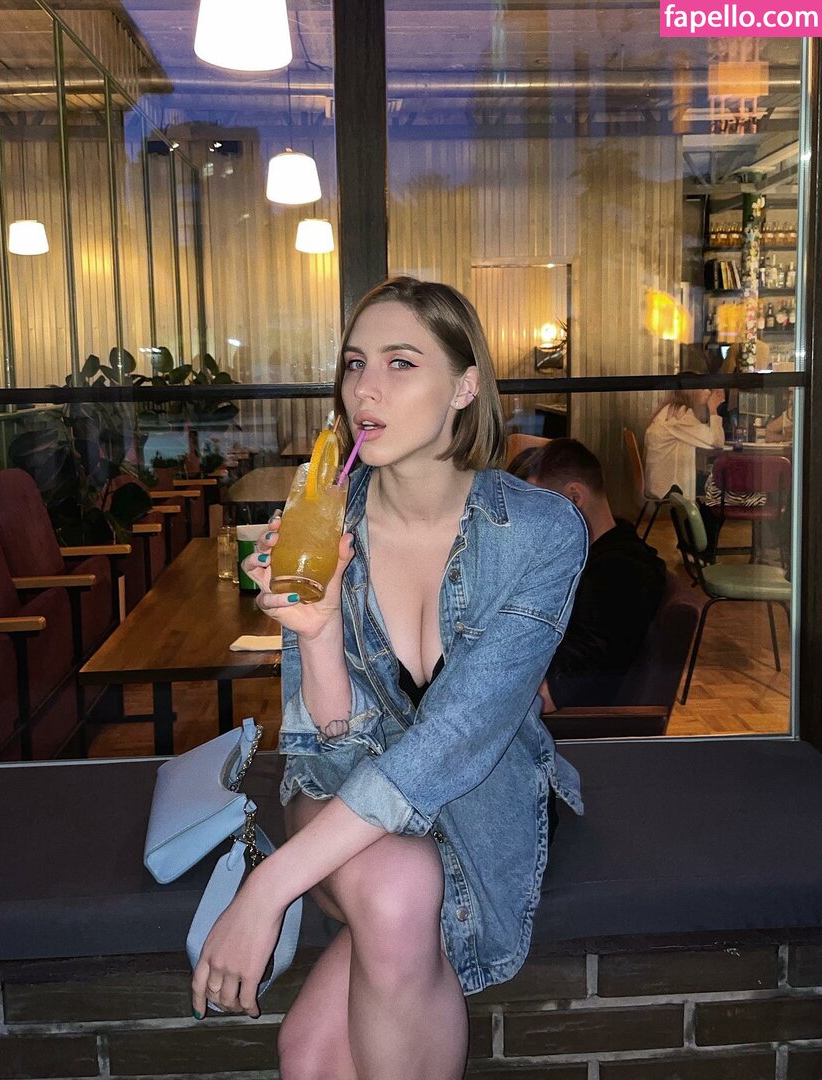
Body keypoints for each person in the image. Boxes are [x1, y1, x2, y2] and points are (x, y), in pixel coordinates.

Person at [191, 276, 588, 1079]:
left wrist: (266, 890)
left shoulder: (540, 532)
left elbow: (457, 741)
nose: (364, 390)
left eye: (401, 363)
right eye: (354, 364)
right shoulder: (321, 519)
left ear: (465, 386)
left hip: (479, 799)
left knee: (312, 1055)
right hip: (339, 791)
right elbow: (327, 748)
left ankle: (379, 935)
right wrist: (318, 631)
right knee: (397, 889)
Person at [507, 439, 666, 712]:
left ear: (574, 498)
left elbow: (551, 694)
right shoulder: (594, 557)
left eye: (538, 510)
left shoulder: (617, 575)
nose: (531, 525)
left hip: (567, 728)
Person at [644, 380, 726, 500]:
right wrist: (713, 410)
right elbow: (717, 441)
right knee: (721, 486)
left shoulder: (671, 410)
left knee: (714, 482)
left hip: (658, 484)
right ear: (691, 392)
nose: (708, 392)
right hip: (670, 489)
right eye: (703, 389)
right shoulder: (679, 415)